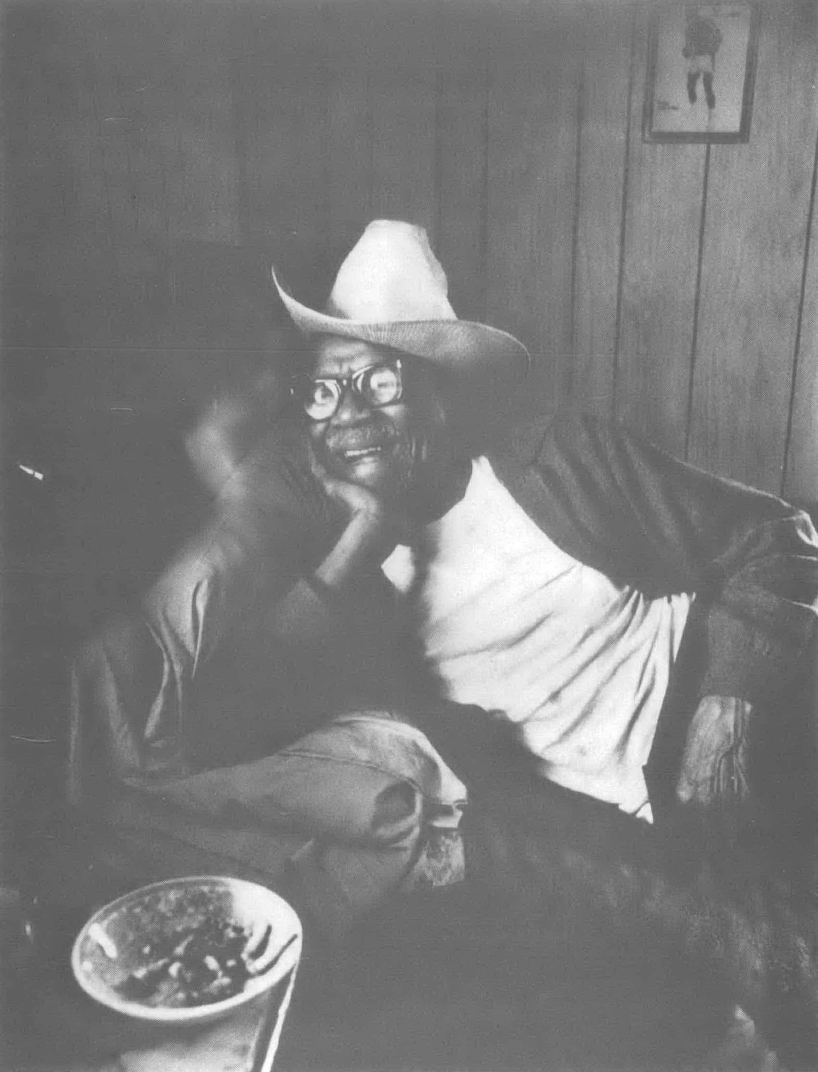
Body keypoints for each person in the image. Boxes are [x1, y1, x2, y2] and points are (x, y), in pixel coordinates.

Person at [67, 220, 818, 1062]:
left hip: (728, 731)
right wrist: (368, 529)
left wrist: (731, 707)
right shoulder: (332, 544)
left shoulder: (562, 457)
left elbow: (779, 537)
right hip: (586, 819)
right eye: (322, 391)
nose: (349, 414)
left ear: (441, 393)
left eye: (380, 382)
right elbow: (252, 700)